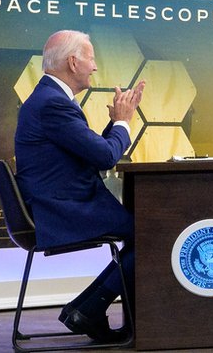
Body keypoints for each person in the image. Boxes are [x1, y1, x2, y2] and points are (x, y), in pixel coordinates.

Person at [14, 30, 145, 343]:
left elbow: (90, 150)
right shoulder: (53, 104)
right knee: (153, 236)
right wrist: (124, 122)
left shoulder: (49, 99)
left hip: (62, 203)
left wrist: (116, 122)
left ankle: (86, 308)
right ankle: (88, 309)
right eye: (91, 59)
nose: (95, 67)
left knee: (146, 233)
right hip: (62, 209)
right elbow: (105, 157)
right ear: (73, 63)